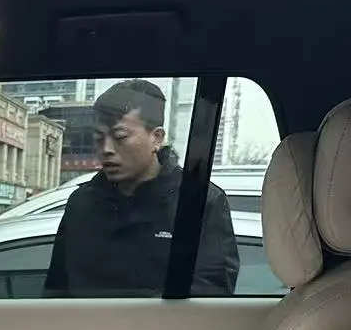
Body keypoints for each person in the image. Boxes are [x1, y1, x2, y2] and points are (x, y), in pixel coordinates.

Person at [43, 79, 239, 296]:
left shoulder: (199, 201)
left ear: (156, 138)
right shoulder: (81, 204)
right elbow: (56, 290)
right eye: (98, 139)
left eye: (120, 137)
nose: (106, 149)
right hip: (86, 320)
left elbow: (213, 293)